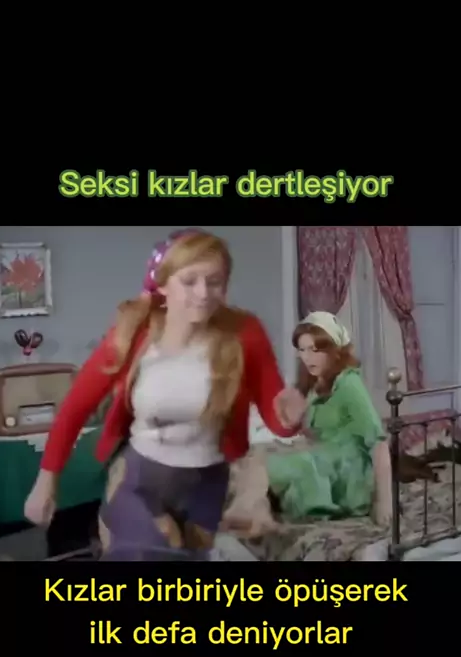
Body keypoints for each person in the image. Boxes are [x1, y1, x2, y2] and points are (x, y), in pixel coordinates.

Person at [24, 228, 307, 559]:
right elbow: (74, 408)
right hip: (144, 479)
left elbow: (277, 419)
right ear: (162, 284)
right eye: (189, 281)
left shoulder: (245, 333)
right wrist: (46, 481)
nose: (203, 293)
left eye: (214, 281)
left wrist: (289, 418)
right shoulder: (133, 334)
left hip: (208, 484)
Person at [266, 311, 392, 526]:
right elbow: (308, 430)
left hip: (348, 476)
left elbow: (379, 443)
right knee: (265, 459)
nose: (307, 358)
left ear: (335, 351)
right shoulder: (316, 382)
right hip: (324, 463)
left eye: (315, 350)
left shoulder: (349, 384)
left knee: (293, 464)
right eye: (302, 350)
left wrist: (384, 501)